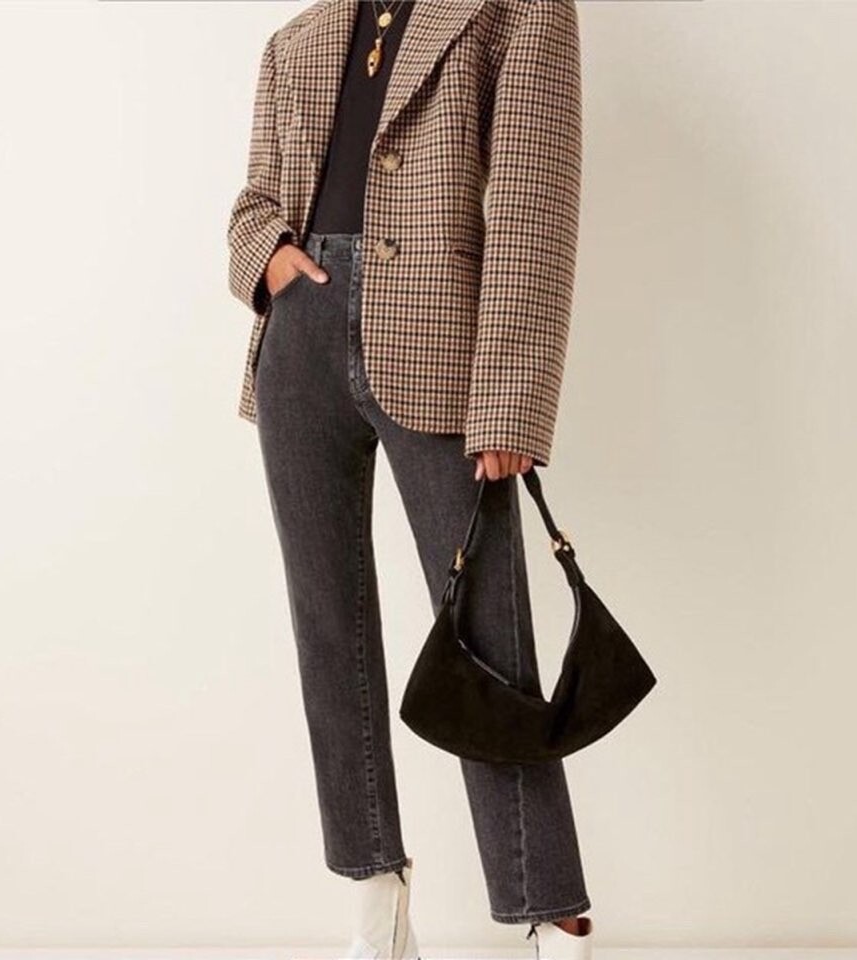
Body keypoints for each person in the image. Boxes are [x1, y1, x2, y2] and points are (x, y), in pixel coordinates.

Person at [226, 1, 593, 957]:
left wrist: (511, 399)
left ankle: (549, 915)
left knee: (487, 636)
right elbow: (254, 203)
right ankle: (376, 902)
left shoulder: (520, 11)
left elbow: (534, 207)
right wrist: (270, 262)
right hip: (300, 347)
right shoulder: (298, 39)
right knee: (327, 627)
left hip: (440, 345)